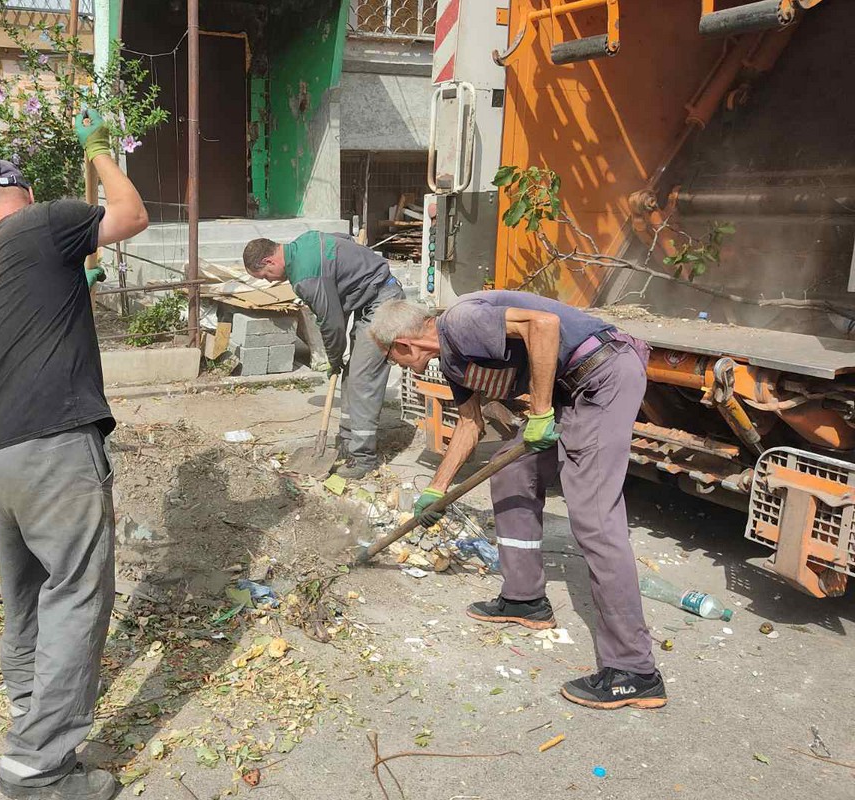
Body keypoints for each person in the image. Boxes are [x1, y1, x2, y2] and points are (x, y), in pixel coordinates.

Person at [0, 106, 148, 800]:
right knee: (76, 593)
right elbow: (127, 216)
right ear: (28, 199)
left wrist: (82, 283)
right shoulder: (41, 224)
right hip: (51, 442)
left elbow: (54, 293)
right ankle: (36, 770)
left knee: (28, 594)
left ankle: (28, 708)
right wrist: (102, 152)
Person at [368, 292, 666, 710]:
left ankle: (635, 671)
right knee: (512, 471)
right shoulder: (453, 361)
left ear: (403, 345)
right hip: (571, 389)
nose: (396, 366)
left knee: (596, 520)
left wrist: (541, 412)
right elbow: (470, 425)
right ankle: (525, 599)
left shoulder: (459, 322)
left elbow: (542, 325)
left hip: (603, 375)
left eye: (390, 359)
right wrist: (437, 490)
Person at [243, 231, 403, 478]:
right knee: (352, 377)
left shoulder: (305, 277)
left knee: (362, 379)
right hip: (369, 301)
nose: (269, 282)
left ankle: (363, 459)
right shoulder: (306, 241)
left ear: (269, 261)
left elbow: (331, 324)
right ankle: (348, 443)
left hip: (383, 303)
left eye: (265, 275)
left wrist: (334, 358)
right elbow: (346, 241)